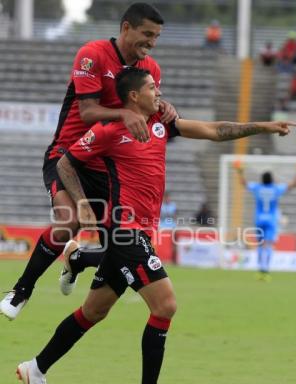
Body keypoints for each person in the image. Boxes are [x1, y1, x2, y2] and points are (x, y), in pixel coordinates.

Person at [16, 67, 296, 384]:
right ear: (134, 95)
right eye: (152, 87)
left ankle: (36, 368)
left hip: (140, 232)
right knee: (165, 306)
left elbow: (214, 130)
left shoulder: (164, 125)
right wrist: (83, 203)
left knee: (93, 311)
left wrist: (264, 126)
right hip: (124, 229)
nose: (158, 91)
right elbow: (66, 162)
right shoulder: (108, 130)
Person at [0, 2, 178, 321]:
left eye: (156, 36)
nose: (151, 42)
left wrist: (166, 109)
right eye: (146, 34)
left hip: (108, 168)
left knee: (126, 243)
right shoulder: (92, 54)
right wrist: (125, 113)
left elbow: (150, 109)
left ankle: (79, 259)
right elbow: (87, 112)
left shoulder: (152, 68)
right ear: (126, 28)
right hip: (69, 156)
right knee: (69, 220)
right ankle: (21, 289)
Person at [234, 161, 296, 280]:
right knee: (268, 244)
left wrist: (240, 171)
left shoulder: (257, 188)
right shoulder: (276, 189)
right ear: (271, 179)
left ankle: (260, 270)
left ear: (262, 180)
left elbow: (243, 183)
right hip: (271, 220)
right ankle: (265, 270)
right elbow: (293, 185)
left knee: (260, 244)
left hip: (259, 219)